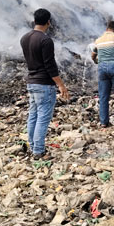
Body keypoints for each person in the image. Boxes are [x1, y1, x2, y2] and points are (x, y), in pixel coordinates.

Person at [20, 8, 69, 159]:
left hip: (32, 82)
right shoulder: (45, 40)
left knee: (33, 116)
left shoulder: (24, 38)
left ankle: (33, 146)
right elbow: (50, 66)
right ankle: (38, 151)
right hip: (44, 84)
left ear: (34, 21)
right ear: (49, 22)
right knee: (42, 118)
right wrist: (61, 85)